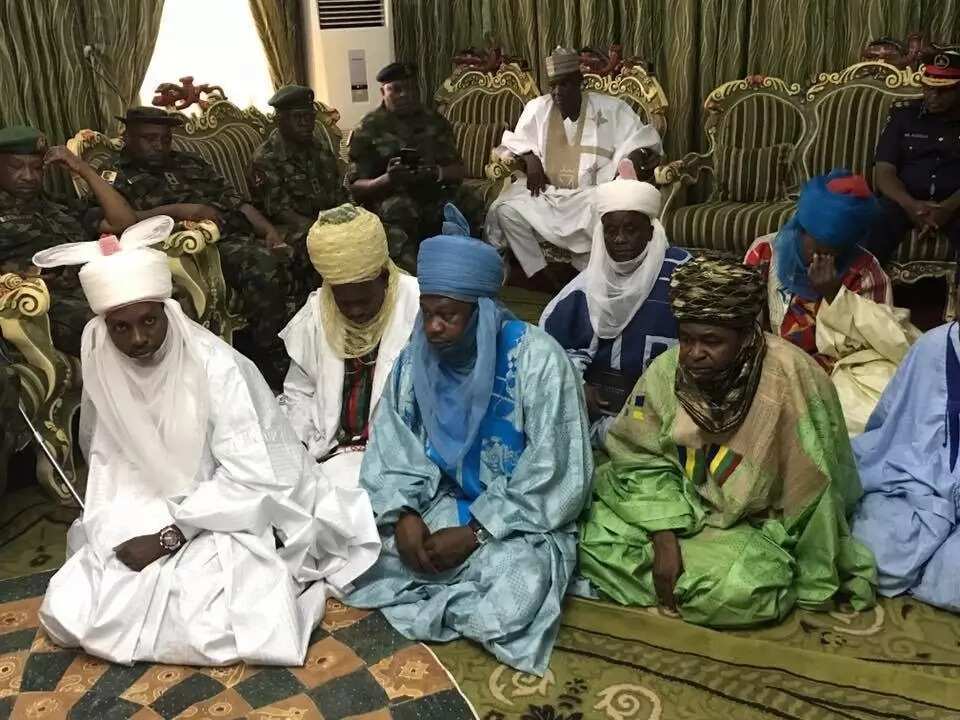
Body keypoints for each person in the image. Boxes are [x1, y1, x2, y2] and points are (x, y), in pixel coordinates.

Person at [33, 217, 380, 666]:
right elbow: (111, 471)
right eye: (121, 327)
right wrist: (121, 529)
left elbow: (253, 476)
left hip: (228, 508)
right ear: (103, 328)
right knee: (72, 608)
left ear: (168, 313)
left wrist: (169, 537)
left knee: (214, 621)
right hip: (150, 503)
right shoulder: (106, 366)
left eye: (148, 322)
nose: (138, 339)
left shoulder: (216, 368)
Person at [345, 204, 592, 675]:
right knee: (356, 552)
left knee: (519, 584)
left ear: (480, 312)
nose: (433, 328)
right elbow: (395, 446)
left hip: (516, 520)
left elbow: (559, 471)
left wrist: (477, 531)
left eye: (448, 316)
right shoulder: (418, 355)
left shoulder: (538, 361)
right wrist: (404, 516)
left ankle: (461, 590)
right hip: (439, 500)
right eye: (427, 312)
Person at [579, 257, 877, 627]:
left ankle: (694, 577)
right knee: (584, 528)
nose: (694, 353)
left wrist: (817, 574)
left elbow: (814, 489)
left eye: (712, 341)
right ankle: (682, 572)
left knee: (740, 590)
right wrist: (664, 536)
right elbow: (637, 455)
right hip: (676, 502)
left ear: (746, 334)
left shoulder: (793, 379)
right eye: (686, 338)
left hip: (761, 523)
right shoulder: (666, 370)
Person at [106, 107, 291, 383]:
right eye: (149, 138)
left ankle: (295, 345)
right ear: (127, 136)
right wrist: (180, 210)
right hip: (185, 252)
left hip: (231, 235)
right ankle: (272, 362)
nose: (159, 146)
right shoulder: (114, 175)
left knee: (297, 251)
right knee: (261, 265)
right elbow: (110, 225)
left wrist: (269, 231)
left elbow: (235, 201)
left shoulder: (189, 162)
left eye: (165, 139)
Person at [541, 165, 689, 444]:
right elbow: (547, 348)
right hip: (600, 411)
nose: (619, 239)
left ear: (650, 230)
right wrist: (578, 384)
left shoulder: (682, 276)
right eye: (610, 231)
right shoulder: (586, 285)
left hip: (666, 409)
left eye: (630, 229)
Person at [485, 47, 662, 277]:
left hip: (590, 197)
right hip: (548, 195)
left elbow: (642, 140)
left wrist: (631, 159)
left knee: (608, 209)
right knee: (505, 210)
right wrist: (530, 159)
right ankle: (539, 273)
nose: (557, 92)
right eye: (553, 85)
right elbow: (512, 143)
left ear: (579, 81)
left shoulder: (611, 108)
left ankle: (586, 276)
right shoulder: (537, 108)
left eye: (565, 84)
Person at [279, 204, 419, 488]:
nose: (354, 312)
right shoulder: (320, 309)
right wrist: (304, 441)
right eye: (345, 303)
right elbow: (299, 390)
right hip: (327, 452)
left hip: (398, 455)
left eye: (363, 301)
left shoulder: (418, 306)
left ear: (384, 277)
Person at [850, 321, 960, 611]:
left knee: (953, 579)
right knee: (874, 556)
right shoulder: (932, 346)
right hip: (917, 480)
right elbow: (889, 425)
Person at [0, 125, 136, 356]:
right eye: (16, 167)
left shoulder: (56, 205)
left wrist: (82, 168)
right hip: (40, 304)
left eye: (36, 168)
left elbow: (123, 222)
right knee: (115, 326)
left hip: (93, 285)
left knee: (164, 300)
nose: (28, 176)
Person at [744, 170, 892, 371]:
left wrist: (834, 295)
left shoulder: (867, 274)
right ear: (800, 227)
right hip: (769, 365)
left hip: (835, 375)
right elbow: (744, 323)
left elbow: (878, 345)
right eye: (816, 248)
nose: (820, 260)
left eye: (833, 251)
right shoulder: (765, 252)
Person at [347, 63, 464, 272]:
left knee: (468, 204)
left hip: (432, 191)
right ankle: (413, 281)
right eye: (396, 89)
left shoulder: (434, 122)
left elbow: (457, 169)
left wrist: (436, 172)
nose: (404, 95)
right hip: (389, 198)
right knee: (401, 209)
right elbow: (355, 187)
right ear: (383, 92)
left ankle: (463, 273)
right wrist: (387, 179)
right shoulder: (367, 128)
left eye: (411, 88)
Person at [249, 84, 348, 307]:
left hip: (325, 220)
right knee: (318, 243)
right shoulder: (266, 158)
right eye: (298, 118)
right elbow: (280, 211)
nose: (306, 123)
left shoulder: (319, 149)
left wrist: (350, 217)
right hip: (287, 229)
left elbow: (338, 193)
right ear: (280, 120)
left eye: (309, 117)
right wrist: (325, 228)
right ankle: (320, 310)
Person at [867, 50, 960, 264]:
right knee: (876, 218)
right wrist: (911, 205)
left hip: (955, 203)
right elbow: (884, 170)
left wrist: (946, 208)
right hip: (904, 201)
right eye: (928, 88)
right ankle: (863, 291)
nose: (933, 97)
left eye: (943, 91)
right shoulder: (903, 115)